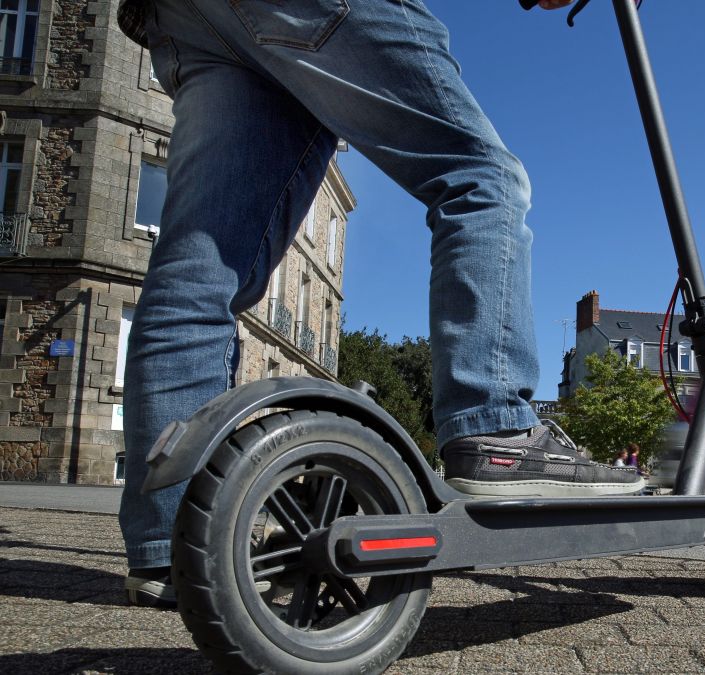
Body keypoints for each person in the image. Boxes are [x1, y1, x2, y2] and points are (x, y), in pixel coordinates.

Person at [115, 0, 644, 609]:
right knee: (482, 179)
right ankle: (493, 427)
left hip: (181, 16)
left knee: (200, 273)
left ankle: (174, 543)